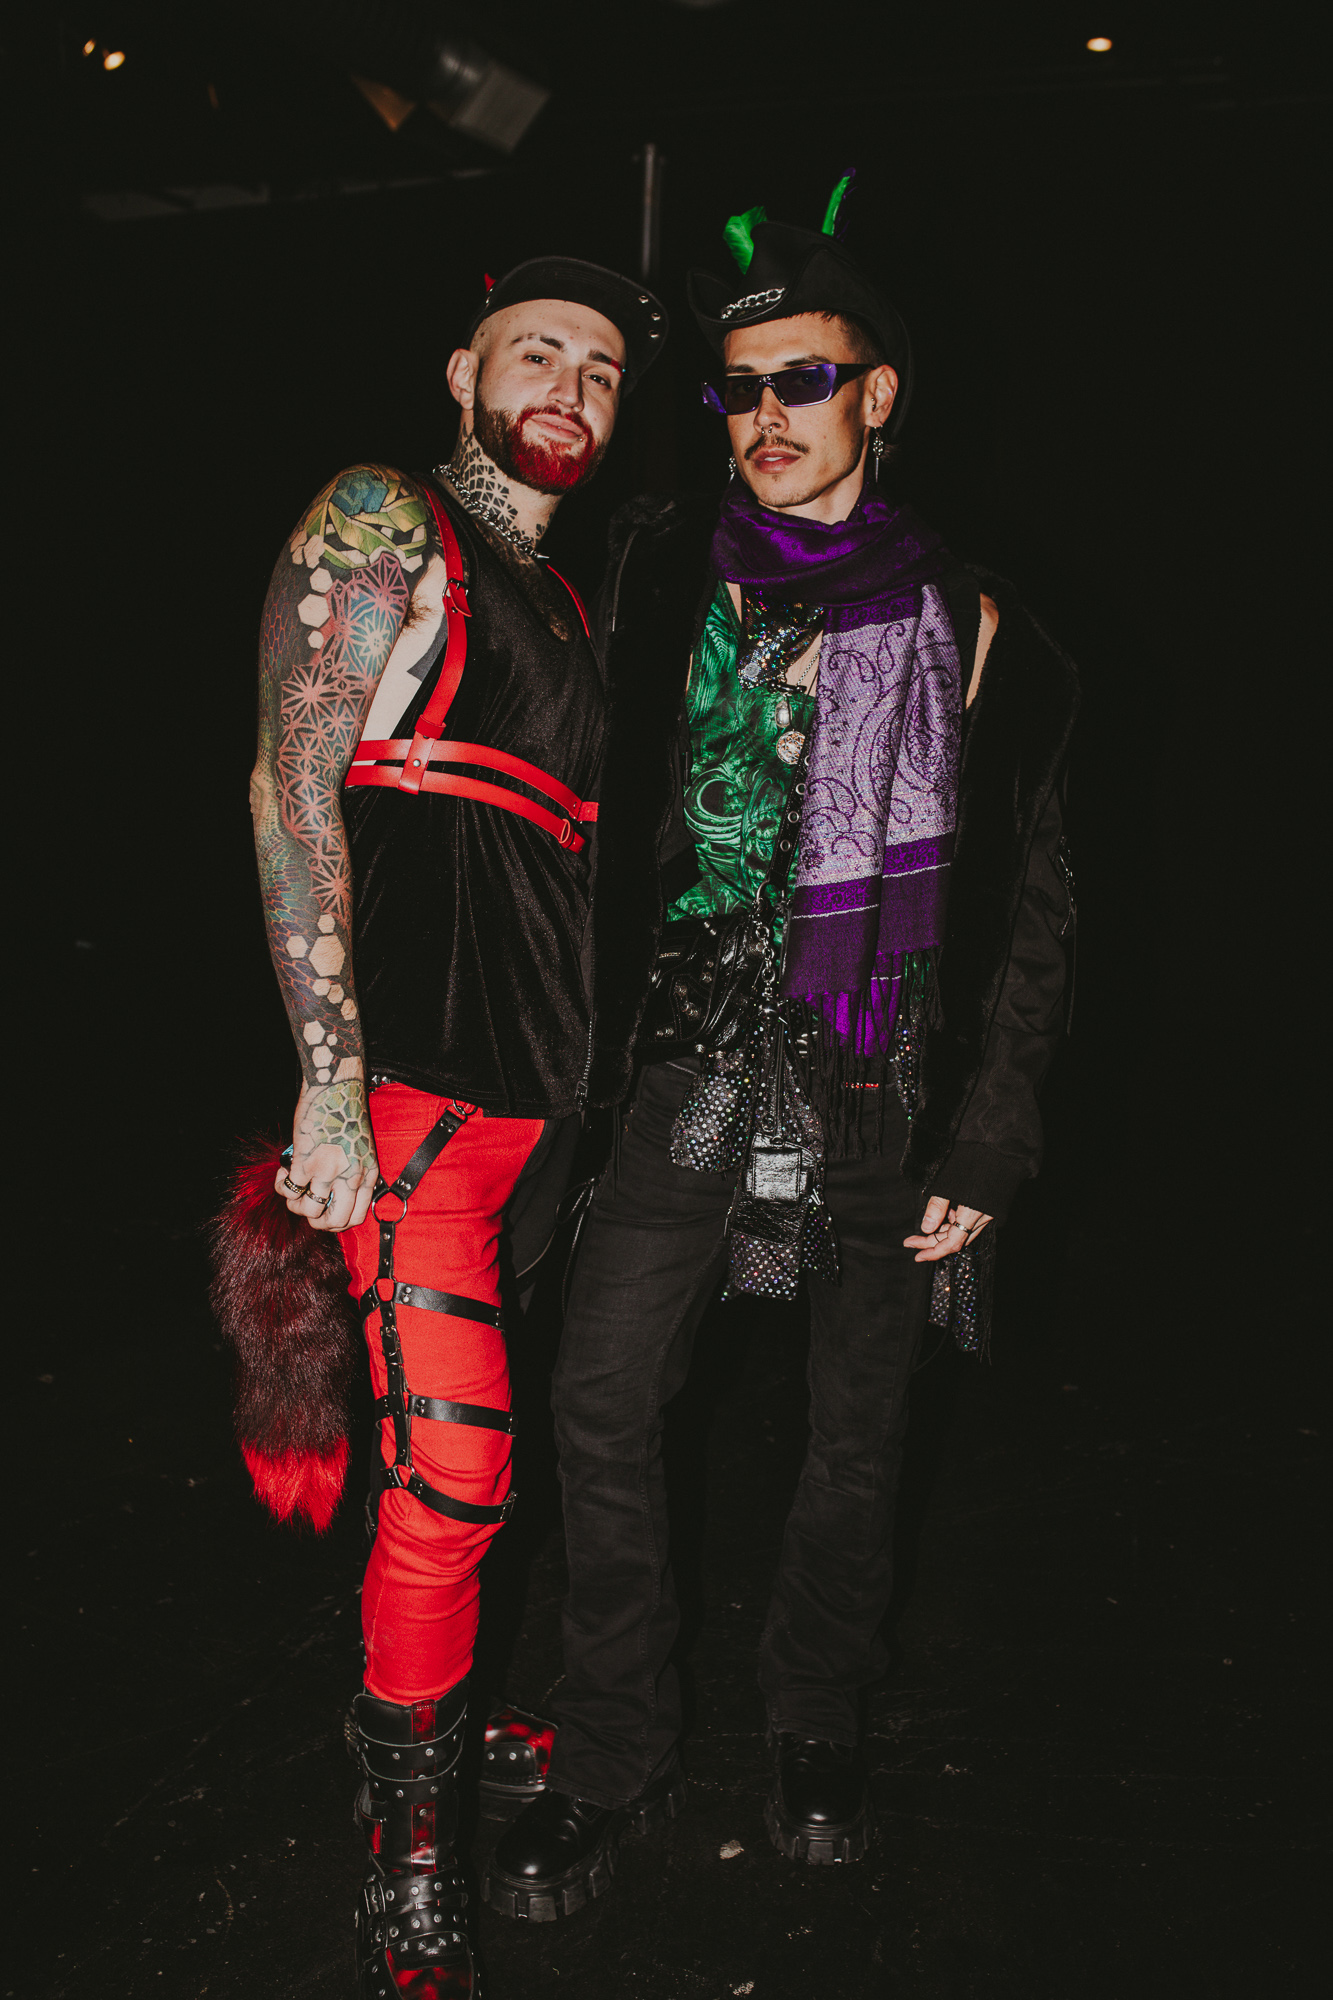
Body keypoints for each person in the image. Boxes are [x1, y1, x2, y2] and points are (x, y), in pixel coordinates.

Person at [484, 191, 1079, 1919]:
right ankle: (613, 1747)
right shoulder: (656, 572)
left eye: (804, 380)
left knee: (858, 1426)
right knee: (598, 1398)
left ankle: (816, 1715)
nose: (766, 415)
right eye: (737, 388)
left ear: (876, 396)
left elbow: (1035, 903)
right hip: (686, 1060)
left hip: (884, 1073)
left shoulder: (981, 625)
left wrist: (994, 1132)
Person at [248, 257, 675, 1997]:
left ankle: (441, 1715)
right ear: (461, 370)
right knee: (453, 1482)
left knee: (484, 1475)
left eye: (601, 366)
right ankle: (405, 1865)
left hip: (538, 1108)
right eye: (535, 351)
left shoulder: (558, 595)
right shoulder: (383, 516)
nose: (569, 383)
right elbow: (292, 781)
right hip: (414, 1093)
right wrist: (328, 1074)